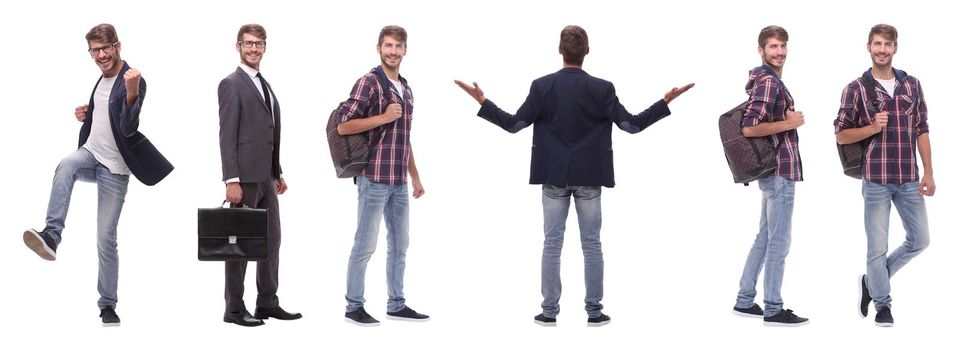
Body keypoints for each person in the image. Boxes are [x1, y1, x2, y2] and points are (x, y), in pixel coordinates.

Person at [455, 25, 693, 327]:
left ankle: (549, 312)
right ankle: (594, 312)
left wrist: (482, 101)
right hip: (590, 177)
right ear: (587, 51)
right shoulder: (603, 88)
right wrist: (665, 102)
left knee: (551, 244)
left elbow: (514, 125)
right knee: (592, 244)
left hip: (553, 176)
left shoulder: (542, 86)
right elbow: (631, 126)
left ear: (559, 50)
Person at [22, 23, 174, 327]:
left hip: (115, 169)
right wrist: (87, 114)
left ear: (118, 46)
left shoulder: (132, 79)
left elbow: (128, 129)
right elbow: (106, 116)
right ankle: (52, 234)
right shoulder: (101, 78)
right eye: (94, 50)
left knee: (105, 238)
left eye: (105, 48)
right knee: (67, 164)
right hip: (91, 154)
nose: (100, 55)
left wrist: (132, 95)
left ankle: (107, 304)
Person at [834, 24, 933, 328]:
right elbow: (841, 135)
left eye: (887, 44)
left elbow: (922, 129)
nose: (882, 49)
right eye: (877, 44)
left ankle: (872, 281)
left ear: (895, 48)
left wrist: (929, 170)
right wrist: (872, 127)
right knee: (876, 247)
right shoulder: (856, 88)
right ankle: (883, 305)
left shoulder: (912, 84)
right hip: (875, 179)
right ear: (869, 47)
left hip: (908, 177)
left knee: (920, 240)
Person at [336, 25, 429, 327]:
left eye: (398, 46)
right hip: (373, 178)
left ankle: (396, 304)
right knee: (365, 245)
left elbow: (405, 137)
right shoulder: (369, 83)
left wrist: (414, 176)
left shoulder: (407, 88)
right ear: (379, 48)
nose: (393, 51)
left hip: (399, 182)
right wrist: (384, 117)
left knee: (401, 245)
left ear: (405, 50)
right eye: (387, 45)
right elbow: (343, 126)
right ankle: (353, 307)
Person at [218, 23, 301, 327]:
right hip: (244, 179)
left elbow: (269, 131)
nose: (254, 48)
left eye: (259, 44)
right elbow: (227, 135)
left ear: (265, 47)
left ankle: (267, 302)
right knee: (239, 244)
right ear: (238, 46)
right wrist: (232, 179)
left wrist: (276, 172)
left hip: (266, 177)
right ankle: (234, 308)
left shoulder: (263, 83)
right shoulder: (231, 83)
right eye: (248, 43)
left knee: (272, 240)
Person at [730, 25, 809, 327]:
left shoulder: (767, 80)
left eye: (783, 46)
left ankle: (744, 300)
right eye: (773, 46)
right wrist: (791, 123)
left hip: (773, 172)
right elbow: (749, 127)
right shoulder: (769, 83)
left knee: (765, 236)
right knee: (779, 240)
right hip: (780, 171)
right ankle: (773, 308)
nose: (780, 52)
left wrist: (785, 122)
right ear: (761, 50)